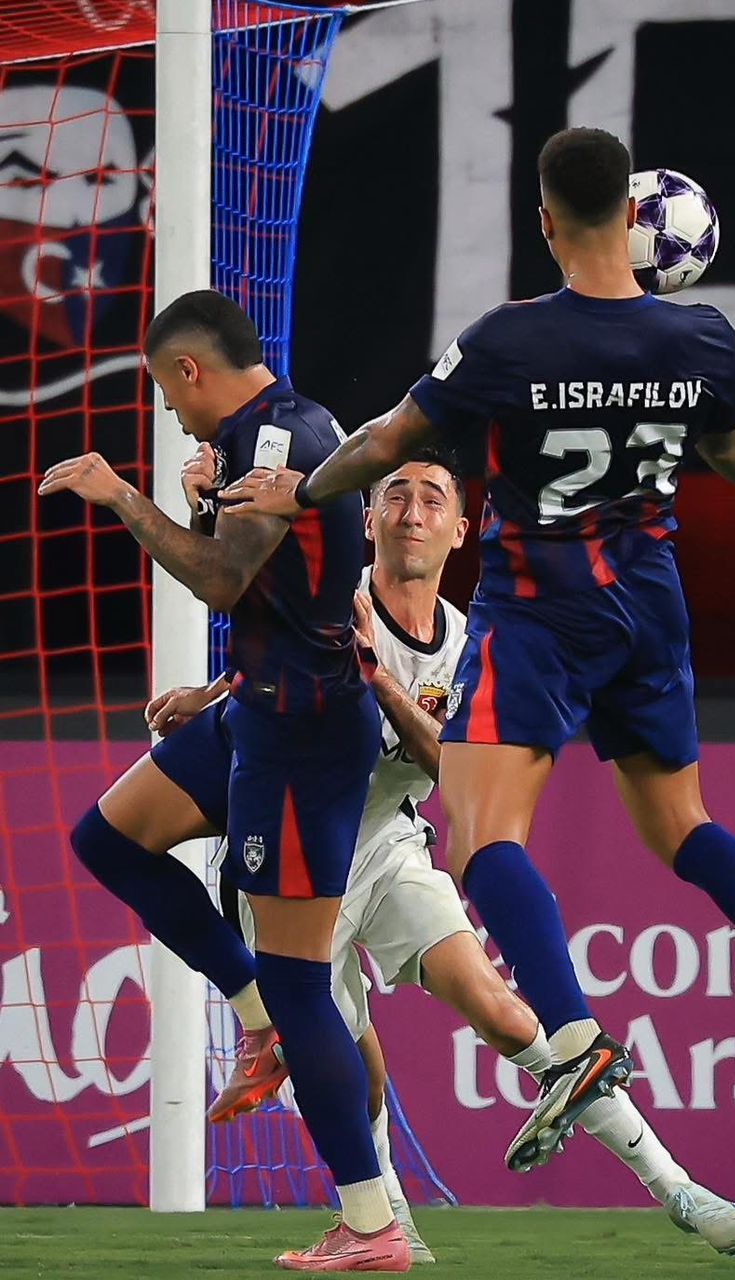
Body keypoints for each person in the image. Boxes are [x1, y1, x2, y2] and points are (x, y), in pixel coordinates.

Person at [221, 127, 735, 1172]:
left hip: (539, 611)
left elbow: (388, 442)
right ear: (633, 214)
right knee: (685, 827)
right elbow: (728, 440)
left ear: (544, 222)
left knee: (484, 838)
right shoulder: (704, 336)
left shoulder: (507, 342)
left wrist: (300, 490)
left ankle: (573, 1042)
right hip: (649, 606)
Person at [165, 449, 735, 1260]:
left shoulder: (477, 645)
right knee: (350, 1070)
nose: (411, 514)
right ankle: (388, 1223)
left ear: (459, 529)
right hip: (291, 860)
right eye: (394, 497)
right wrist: (207, 683)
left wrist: (380, 683)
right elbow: (249, 642)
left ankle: (678, 1188)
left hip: (385, 842)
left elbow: (455, 768)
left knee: (504, 1012)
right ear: (366, 519)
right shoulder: (324, 601)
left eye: (431, 500)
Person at [38, 290, 410, 1273]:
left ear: (190, 370)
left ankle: (371, 1224)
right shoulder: (263, 434)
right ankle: (258, 1023)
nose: (173, 413)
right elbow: (279, 590)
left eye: (169, 395)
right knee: (108, 837)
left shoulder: (279, 437)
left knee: (299, 981)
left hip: (303, 733)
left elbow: (221, 580)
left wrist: (125, 497)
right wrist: (218, 678)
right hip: (257, 704)